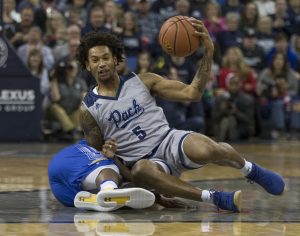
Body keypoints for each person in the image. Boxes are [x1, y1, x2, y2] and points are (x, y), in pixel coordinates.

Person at [76, 19, 285, 213]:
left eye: (105, 58)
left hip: (169, 140)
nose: (101, 63)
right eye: (95, 60)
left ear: (115, 59)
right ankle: (215, 198)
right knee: (141, 170)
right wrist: (127, 171)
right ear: (87, 65)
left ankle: (250, 170)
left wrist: (208, 53)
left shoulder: (143, 81)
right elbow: (101, 159)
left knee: (210, 149)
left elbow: (192, 93)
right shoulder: (89, 109)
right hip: (144, 163)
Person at [48, 137, 155, 211]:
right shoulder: (105, 146)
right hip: (77, 157)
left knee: (124, 195)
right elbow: (132, 177)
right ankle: (108, 190)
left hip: (70, 197)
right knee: (108, 168)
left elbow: (136, 187)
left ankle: (95, 199)